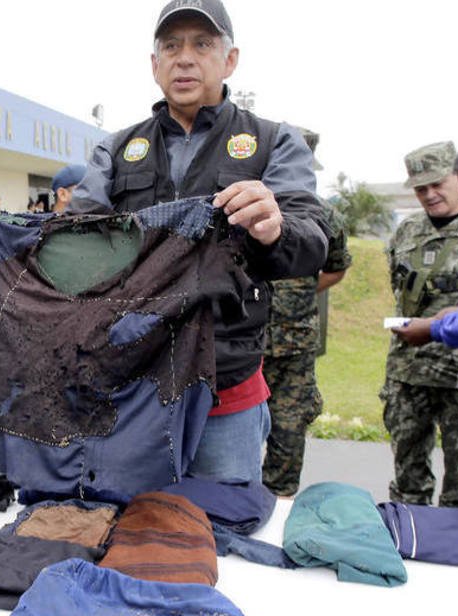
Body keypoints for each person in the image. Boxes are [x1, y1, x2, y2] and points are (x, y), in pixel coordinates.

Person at [67, 0, 329, 482]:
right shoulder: (116, 149)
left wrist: (277, 227)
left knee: (224, 532)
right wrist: (6, 236)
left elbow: (315, 238)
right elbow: (76, 241)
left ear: (230, 60)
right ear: (154, 64)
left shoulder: (273, 141)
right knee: (134, 528)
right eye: (171, 46)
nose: (184, 58)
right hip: (131, 390)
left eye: (202, 44)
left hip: (226, 394)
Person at [382, 141, 458, 507]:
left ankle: (456, 554)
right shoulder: (407, 231)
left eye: (437, 184)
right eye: (421, 188)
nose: (430, 194)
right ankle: (410, 542)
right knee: (407, 480)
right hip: (408, 370)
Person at [262, 128, 352, 496]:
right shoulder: (248, 204)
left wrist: (299, 289)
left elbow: (337, 266)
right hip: (244, 345)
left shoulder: (325, 215)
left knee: (289, 428)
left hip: (294, 346)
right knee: (232, 432)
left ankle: (279, 501)